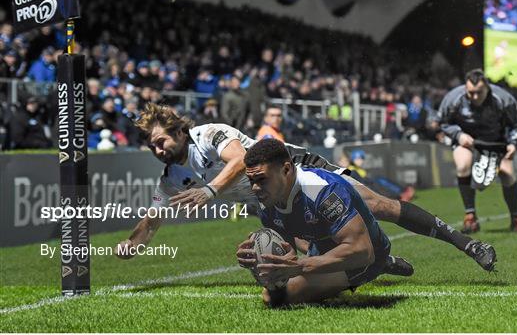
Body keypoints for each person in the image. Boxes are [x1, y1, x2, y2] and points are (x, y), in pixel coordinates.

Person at [115, 103, 496, 273]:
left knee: (375, 205)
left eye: (162, 140)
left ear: (181, 131)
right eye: (152, 145)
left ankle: (467, 244)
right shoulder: (170, 179)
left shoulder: (209, 134)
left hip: (294, 169)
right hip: (270, 203)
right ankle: (383, 262)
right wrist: (131, 245)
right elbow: (152, 219)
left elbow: (238, 161)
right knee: (308, 250)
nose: (157, 149)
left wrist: (210, 192)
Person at [236, 139, 406, 306]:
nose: (255, 188)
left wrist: (301, 265)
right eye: (251, 180)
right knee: (273, 291)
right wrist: (259, 260)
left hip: (367, 256)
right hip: (323, 246)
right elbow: (287, 257)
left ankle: (383, 263)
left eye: (262, 179)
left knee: (276, 299)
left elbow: (362, 251)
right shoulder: (266, 200)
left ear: (286, 169)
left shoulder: (321, 189)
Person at [437, 69, 517, 233]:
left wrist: (514, 143)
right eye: (471, 93)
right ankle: (470, 217)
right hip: (468, 142)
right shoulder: (453, 98)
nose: (475, 97)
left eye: (479, 92)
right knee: (463, 165)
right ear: (465, 88)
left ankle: (516, 220)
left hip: (497, 143)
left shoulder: (503, 98)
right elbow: (442, 122)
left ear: (487, 87)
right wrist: (458, 134)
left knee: (507, 174)